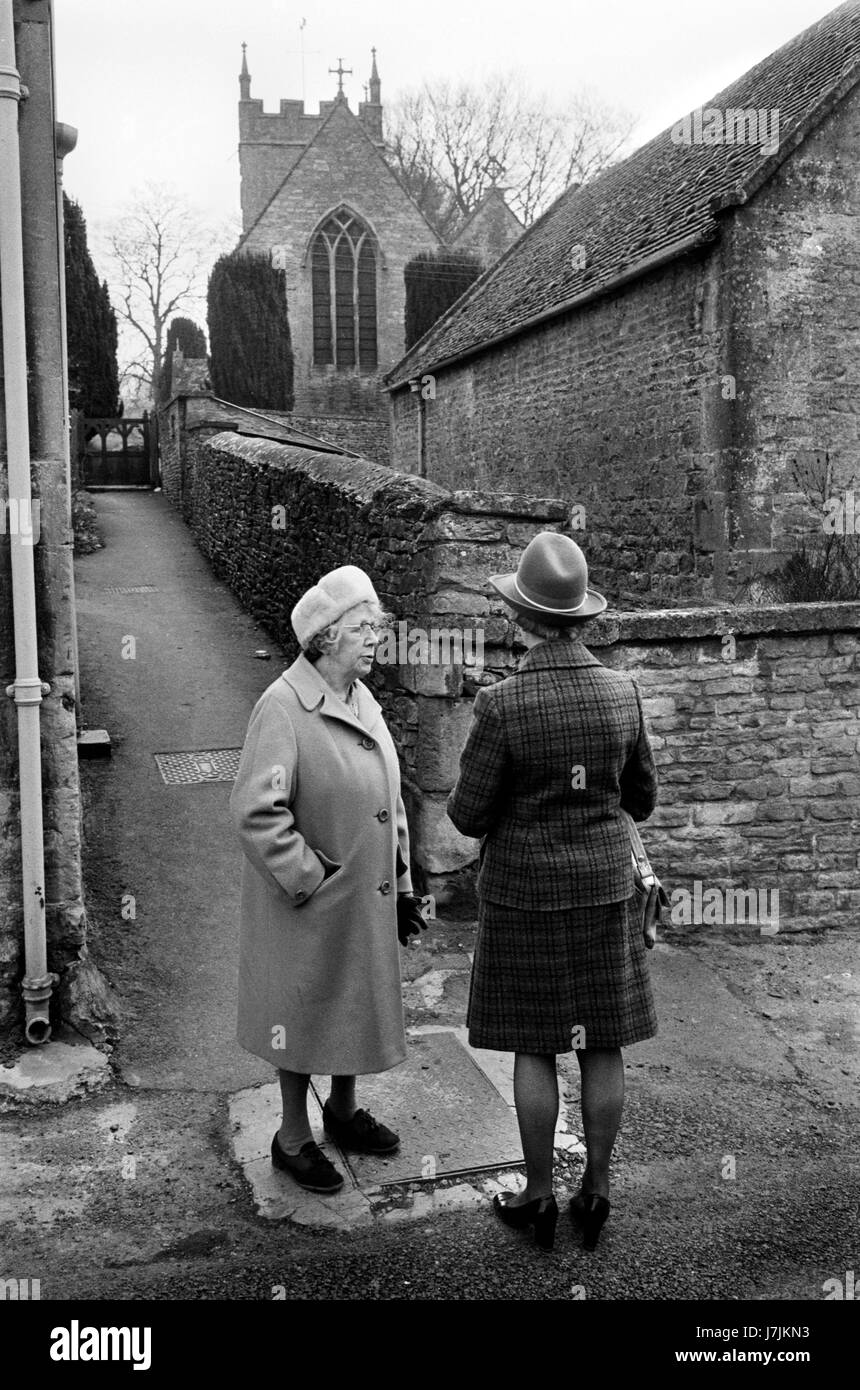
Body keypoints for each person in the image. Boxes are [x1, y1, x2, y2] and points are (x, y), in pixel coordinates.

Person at [447, 532, 659, 1252]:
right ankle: (595, 1191)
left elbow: (468, 814)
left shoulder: (504, 705)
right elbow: (642, 799)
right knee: (603, 1043)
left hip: (524, 896)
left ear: (520, 616)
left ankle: (539, 1196)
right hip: (604, 892)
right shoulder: (623, 693)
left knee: (534, 1047)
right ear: (581, 615)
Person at [230, 565, 427, 1194]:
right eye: (364, 627)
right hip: (313, 899)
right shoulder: (283, 706)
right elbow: (256, 811)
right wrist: (310, 877)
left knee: (354, 1003)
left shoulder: (361, 699)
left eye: (377, 627)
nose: (376, 639)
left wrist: (402, 887)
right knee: (305, 1009)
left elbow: (389, 802)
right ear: (325, 638)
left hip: (365, 893)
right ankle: (292, 1137)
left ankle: (340, 1113)